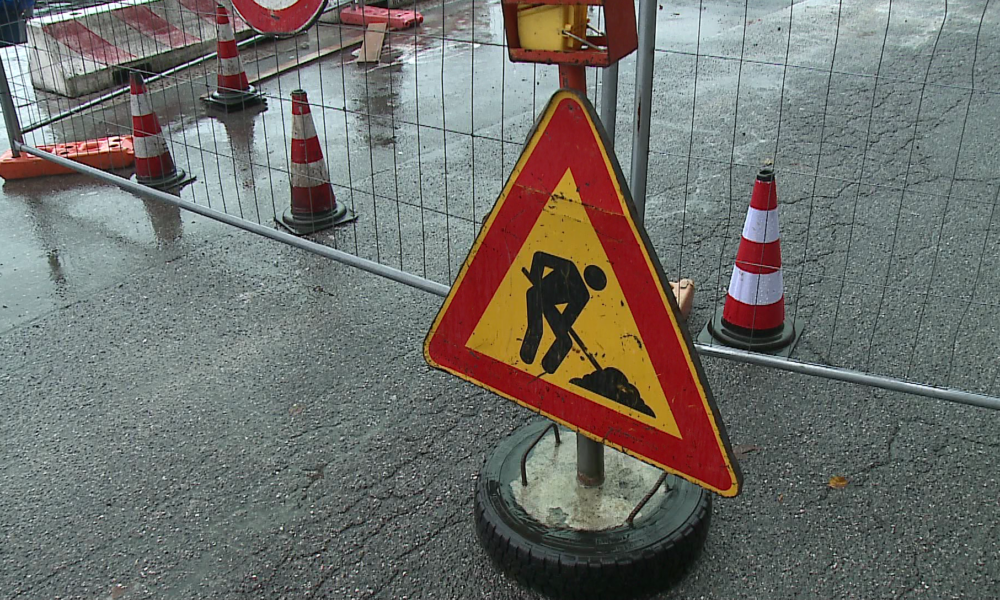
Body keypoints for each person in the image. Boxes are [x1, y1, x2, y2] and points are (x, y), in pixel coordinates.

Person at [520, 251, 606, 374]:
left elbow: (567, 318)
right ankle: (529, 349)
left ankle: (549, 363)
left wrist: (561, 329)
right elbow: (539, 257)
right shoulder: (569, 268)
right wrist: (536, 280)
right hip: (538, 293)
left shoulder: (583, 295)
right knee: (536, 326)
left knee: (565, 341)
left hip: (547, 302)